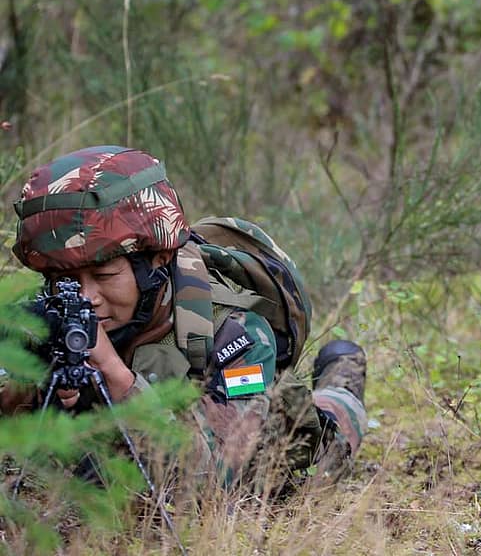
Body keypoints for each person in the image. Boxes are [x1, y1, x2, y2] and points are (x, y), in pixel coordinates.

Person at [3, 145, 367, 493]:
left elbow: (214, 479)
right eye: (65, 280)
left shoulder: (234, 333)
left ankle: (343, 373)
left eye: (104, 276)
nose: (87, 297)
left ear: (156, 262)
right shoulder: (49, 316)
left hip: (265, 434)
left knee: (327, 438)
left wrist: (116, 378)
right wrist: (34, 389)